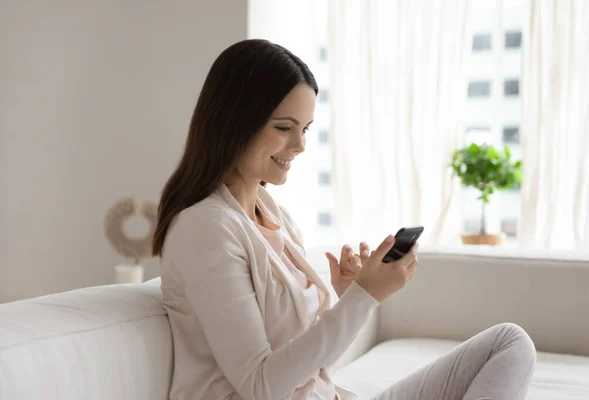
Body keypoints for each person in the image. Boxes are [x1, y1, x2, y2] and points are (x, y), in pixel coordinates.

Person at [152, 39, 536, 400]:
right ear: (234, 121)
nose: (300, 145)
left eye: (304, 129)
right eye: (284, 127)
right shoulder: (204, 228)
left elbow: (309, 368)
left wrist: (346, 297)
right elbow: (260, 386)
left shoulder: (273, 214)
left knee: (509, 342)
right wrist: (365, 296)